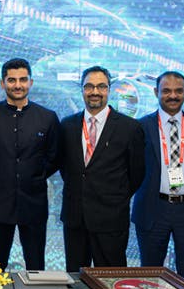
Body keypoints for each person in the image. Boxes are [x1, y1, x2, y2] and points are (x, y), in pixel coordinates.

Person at [58, 66, 145, 270]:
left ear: (109, 89)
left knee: (111, 280)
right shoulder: (67, 126)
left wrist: (114, 196)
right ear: (81, 89)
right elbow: (66, 167)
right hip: (75, 218)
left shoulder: (129, 128)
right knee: (75, 280)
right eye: (89, 86)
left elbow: (137, 174)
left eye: (101, 86)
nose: (94, 92)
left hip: (111, 219)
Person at [131, 71, 184, 284]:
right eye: (166, 91)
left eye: (178, 91)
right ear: (156, 92)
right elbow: (132, 168)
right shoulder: (140, 127)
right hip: (153, 207)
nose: (173, 96)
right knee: (149, 275)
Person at [0, 58, 60, 270]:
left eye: (23, 80)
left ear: (31, 83)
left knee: (36, 266)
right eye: (12, 80)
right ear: (2, 83)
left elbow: (54, 157)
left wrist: (35, 175)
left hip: (34, 204)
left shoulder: (47, 117)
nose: (18, 85)